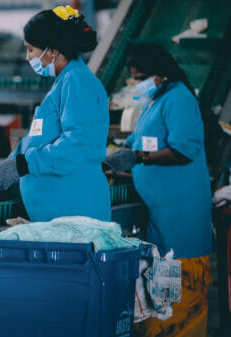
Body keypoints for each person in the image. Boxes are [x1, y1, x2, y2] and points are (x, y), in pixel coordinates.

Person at [104, 43, 213, 337]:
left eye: (141, 77)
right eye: (134, 79)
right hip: (162, 228)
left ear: (161, 74)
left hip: (181, 223)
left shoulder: (179, 99)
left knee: (180, 313)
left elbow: (183, 150)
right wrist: (118, 156)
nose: (138, 84)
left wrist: (137, 157)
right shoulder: (156, 101)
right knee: (163, 311)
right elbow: (144, 143)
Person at [0, 5, 111, 222]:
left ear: (53, 50)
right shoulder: (63, 82)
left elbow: (76, 145)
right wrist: (0, 176)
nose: (28, 57)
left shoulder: (77, 82)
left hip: (75, 210)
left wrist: (23, 165)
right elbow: (34, 141)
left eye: (31, 49)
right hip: (59, 213)